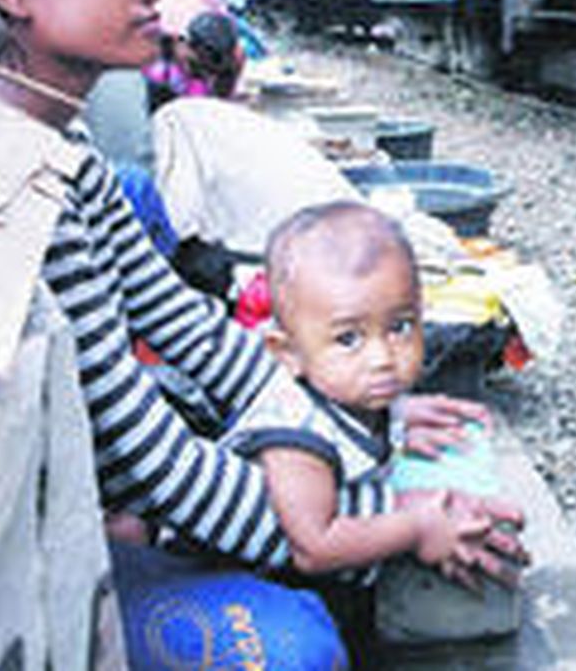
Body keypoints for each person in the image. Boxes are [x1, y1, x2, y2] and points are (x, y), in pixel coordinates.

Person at [0, 0, 519, 600]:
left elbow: (183, 323)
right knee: (298, 647)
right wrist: (394, 518)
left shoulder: (63, 142)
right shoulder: (8, 176)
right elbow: (150, 458)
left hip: (109, 494)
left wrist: (351, 413)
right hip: (6, 561)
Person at [223, 200, 525, 662]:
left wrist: (401, 414)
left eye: (400, 326)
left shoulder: (348, 393)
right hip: (246, 596)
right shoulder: (295, 436)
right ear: (287, 353)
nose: (383, 357)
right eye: (349, 338)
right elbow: (315, 547)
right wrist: (417, 526)